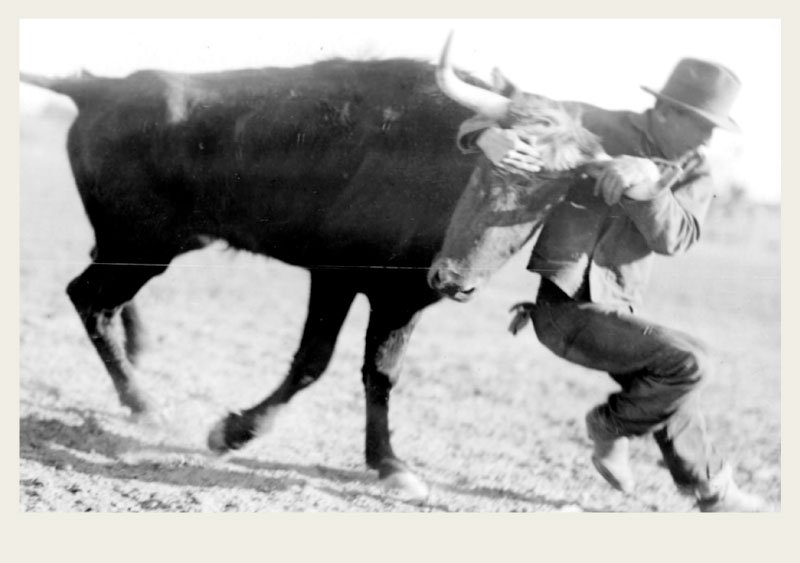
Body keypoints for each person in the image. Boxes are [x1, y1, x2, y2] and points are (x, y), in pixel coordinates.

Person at [458, 58, 766, 511]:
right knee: (689, 363)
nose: (707, 139)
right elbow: (498, 113)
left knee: (671, 373)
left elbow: (676, 238)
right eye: (703, 125)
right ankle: (609, 428)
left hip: (616, 314)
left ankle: (713, 491)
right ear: (666, 112)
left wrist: (646, 187)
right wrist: (485, 137)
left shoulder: (695, 172)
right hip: (562, 311)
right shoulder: (593, 123)